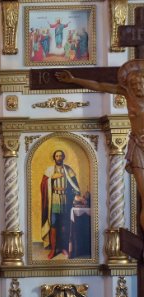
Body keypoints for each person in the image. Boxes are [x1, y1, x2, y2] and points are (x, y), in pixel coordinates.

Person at [56, 62, 144, 229]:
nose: (138, 87)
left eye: (141, 84)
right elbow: (99, 85)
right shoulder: (127, 93)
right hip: (138, 147)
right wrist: (74, 80)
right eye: (134, 84)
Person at [40, 150, 82, 259]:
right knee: (54, 224)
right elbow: (43, 185)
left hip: (66, 200)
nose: (58, 158)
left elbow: (75, 185)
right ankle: (53, 249)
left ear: (63, 157)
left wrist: (76, 195)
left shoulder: (69, 170)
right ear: (54, 158)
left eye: (60, 156)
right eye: (57, 156)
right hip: (54, 200)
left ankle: (64, 248)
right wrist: (51, 178)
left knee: (65, 223)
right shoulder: (49, 170)